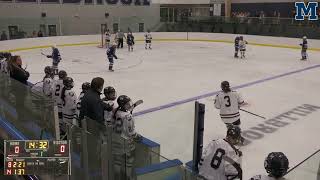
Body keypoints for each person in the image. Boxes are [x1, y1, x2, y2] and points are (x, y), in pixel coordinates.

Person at [113, 95, 142, 180]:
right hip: (126, 142)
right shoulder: (128, 116)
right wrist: (137, 137)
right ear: (123, 105)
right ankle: (128, 177)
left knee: (117, 160)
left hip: (116, 139)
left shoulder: (116, 111)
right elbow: (130, 132)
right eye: (127, 104)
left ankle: (116, 176)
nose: (129, 105)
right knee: (129, 160)